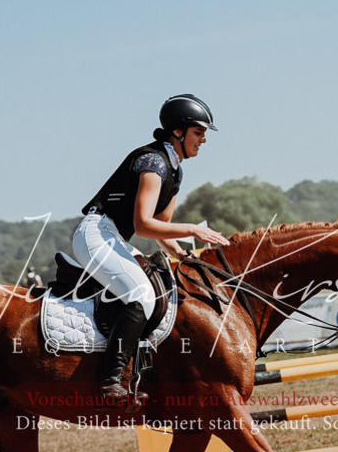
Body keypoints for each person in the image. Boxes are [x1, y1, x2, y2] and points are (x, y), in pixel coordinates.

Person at [73, 94, 230, 406]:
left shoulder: (175, 170)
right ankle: (109, 383)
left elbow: (162, 228)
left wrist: (186, 256)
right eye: (199, 133)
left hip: (115, 237)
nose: (203, 140)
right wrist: (194, 230)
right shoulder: (153, 162)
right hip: (96, 233)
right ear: (178, 132)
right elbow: (143, 225)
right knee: (140, 294)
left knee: (161, 289)